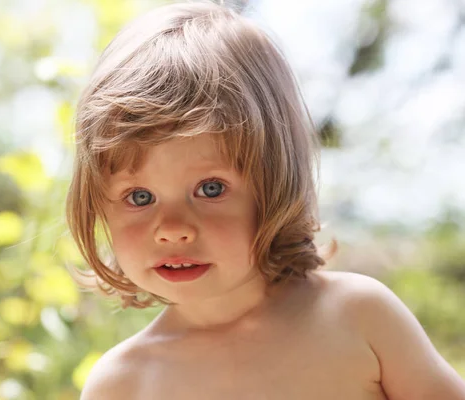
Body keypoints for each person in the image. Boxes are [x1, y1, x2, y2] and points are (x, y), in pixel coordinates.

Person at [65, 1, 465, 399]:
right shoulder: (121, 385)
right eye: (140, 196)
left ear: (274, 185)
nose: (172, 230)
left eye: (210, 189)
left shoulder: (358, 316)